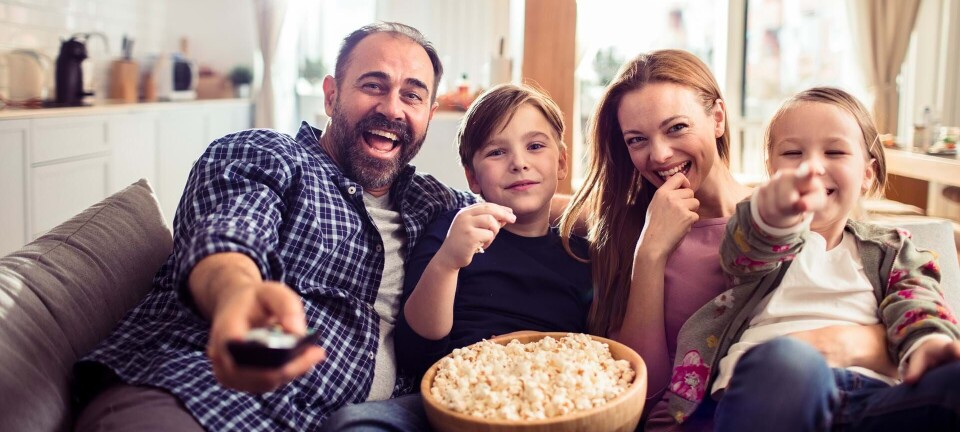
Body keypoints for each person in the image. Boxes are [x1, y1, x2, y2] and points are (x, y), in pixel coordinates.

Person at [72, 22, 479, 431]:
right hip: (198, 393)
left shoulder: (434, 204)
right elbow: (228, 235)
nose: (392, 108)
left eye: (412, 95)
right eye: (373, 85)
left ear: (429, 113)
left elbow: (521, 206)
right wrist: (238, 294)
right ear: (331, 95)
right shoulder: (268, 154)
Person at [557, 50, 895, 430]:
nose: (660, 154)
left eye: (676, 128)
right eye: (637, 140)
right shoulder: (624, 228)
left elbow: (901, 318)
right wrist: (650, 252)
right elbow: (640, 391)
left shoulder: (788, 218)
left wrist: (835, 343)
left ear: (717, 118)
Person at [701, 87, 960, 431]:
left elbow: (916, 299)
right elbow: (748, 247)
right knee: (790, 361)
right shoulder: (764, 238)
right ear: (771, 169)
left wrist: (928, 341)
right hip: (778, 392)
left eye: (835, 151)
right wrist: (773, 212)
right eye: (793, 153)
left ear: (867, 174)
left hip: (875, 400)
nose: (812, 166)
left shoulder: (893, 249)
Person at [395, 83, 592, 378]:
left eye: (535, 146)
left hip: (553, 394)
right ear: (472, 178)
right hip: (461, 389)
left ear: (561, 162)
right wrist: (447, 263)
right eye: (497, 152)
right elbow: (415, 350)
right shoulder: (452, 232)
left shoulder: (583, 256)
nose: (519, 163)